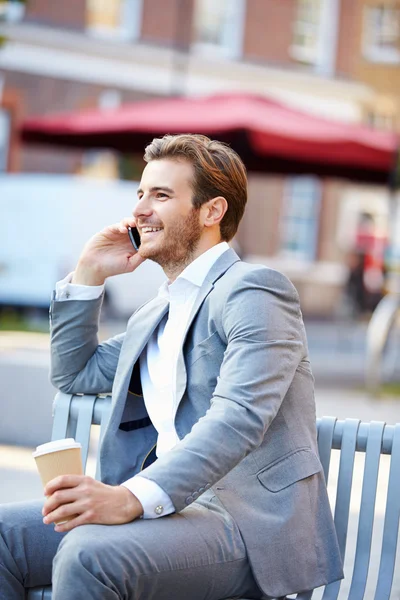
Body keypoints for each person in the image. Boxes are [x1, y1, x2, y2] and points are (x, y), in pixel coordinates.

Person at [0, 134, 343, 600]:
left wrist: (129, 496)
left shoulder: (255, 291)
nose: (140, 208)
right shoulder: (158, 313)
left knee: (88, 554)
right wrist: (88, 273)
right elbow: (75, 373)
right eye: (140, 193)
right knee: (5, 535)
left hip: (245, 523)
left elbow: (238, 418)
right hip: (169, 515)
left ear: (211, 212)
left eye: (161, 195)